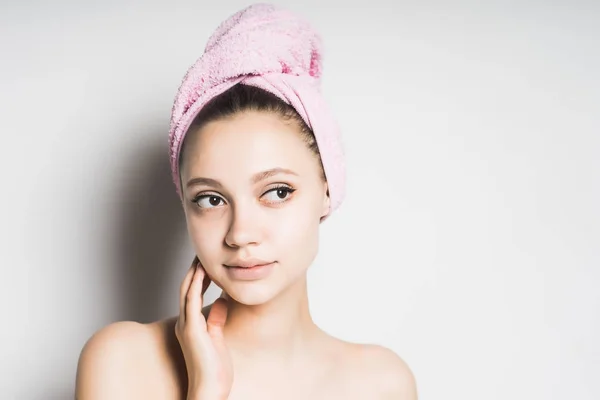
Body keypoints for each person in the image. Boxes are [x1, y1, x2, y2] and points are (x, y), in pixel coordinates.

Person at [75, 3, 417, 399]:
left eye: (277, 192)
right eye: (211, 199)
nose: (240, 234)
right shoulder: (123, 361)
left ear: (327, 190)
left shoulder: (381, 383)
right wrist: (205, 390)